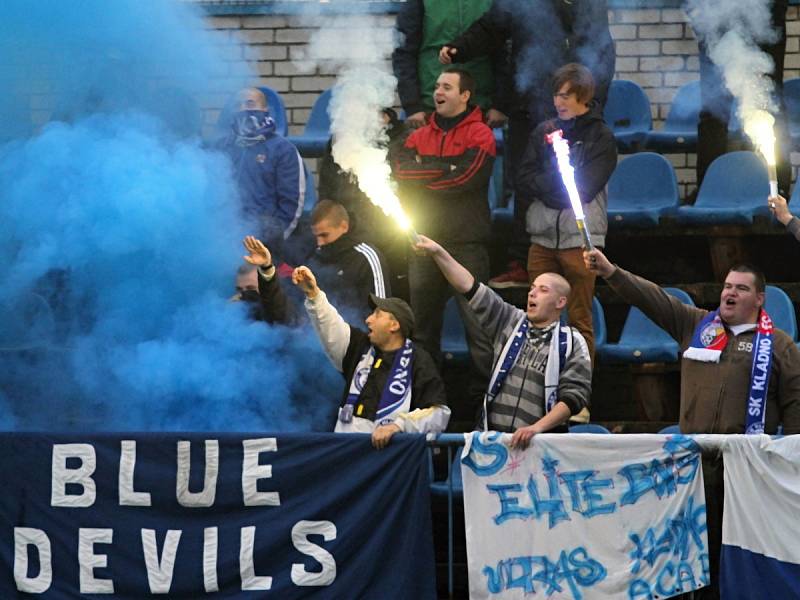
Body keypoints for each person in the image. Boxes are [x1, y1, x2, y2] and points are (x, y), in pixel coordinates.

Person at [584, 247, 800, 599]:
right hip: (692, 461)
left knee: (733, 551)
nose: (729, 293)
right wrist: (612, 272)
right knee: (688, 548)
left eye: (741, 289)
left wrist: (790, 460)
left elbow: (795, 402)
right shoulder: (695, 324)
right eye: (727, 286)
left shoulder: (779, 345)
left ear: (760, 299)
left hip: (745, 466)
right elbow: (652, 299)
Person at [439, 0, 615, 286]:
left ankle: (578, 260)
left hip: (574, 114)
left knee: (575, 184)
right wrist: (461, 48)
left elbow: (600, 51)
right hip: (528, 108)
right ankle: (524, 261)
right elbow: (493, 25)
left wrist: (591, 107)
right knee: (525, 185)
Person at [414, 235, 591, 449]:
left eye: (543, 290)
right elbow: (469, 286)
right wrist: (438, 252)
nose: (532, 293)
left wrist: (536, 429)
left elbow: (573, 399)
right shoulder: (509, 320)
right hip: (494, 442)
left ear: (560, 302)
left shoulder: (573, 342)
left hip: (540, 446)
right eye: (532, 288)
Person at [392, 66, 496, 408]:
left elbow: (466, 178)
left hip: (466, 244)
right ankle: (425, 401)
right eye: (437, 85)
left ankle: (487, 404)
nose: (438, 91)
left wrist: (424, 174)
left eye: (447, 86)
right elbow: (401, 170)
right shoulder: (416, 134)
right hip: (423, 245)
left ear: (465, 95)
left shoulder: (481, 133)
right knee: (421, 330)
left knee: (479, 331)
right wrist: (441, 170)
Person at [518, 63, 617, 364]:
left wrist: (547, 188)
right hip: (543, 239)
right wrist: (556, 187)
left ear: (583, 97)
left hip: (581, 243)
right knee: (539, 319)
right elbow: (523, 178)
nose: (558, 102)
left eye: (565, 96)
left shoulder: (601, 136)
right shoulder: (544, 131)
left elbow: (585, 188)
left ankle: (578, 395)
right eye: (556, 95)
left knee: (579, 320)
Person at [292, 264, 450, 448]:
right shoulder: (360, 347)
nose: (368, 319)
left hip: (388, 461)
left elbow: (439, 413)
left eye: (377, 314)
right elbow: (331, 327)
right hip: (346, 452)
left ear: (394, 325)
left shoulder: (418, 360)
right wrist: (314, 294)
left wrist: (398, 426)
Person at [689, 0, 790, 197]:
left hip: (765, 11)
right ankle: (707, 189)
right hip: (716, 14)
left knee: (768, 101)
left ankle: (777, 188)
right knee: (713, 107)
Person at [392, 0, 509, 130]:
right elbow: (404, 53)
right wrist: (412, 106)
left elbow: (503, 53)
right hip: (430, 107)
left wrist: (500, 105)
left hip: (480, 108)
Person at [221, 87, 305, 258]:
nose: (244, 109)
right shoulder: (221, 148)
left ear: (265, 110)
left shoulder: (283, 149)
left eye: (250, 103)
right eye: (238, 105)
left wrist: (273, 241)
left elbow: (292, 204)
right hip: (224, 241)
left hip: (266, 246)